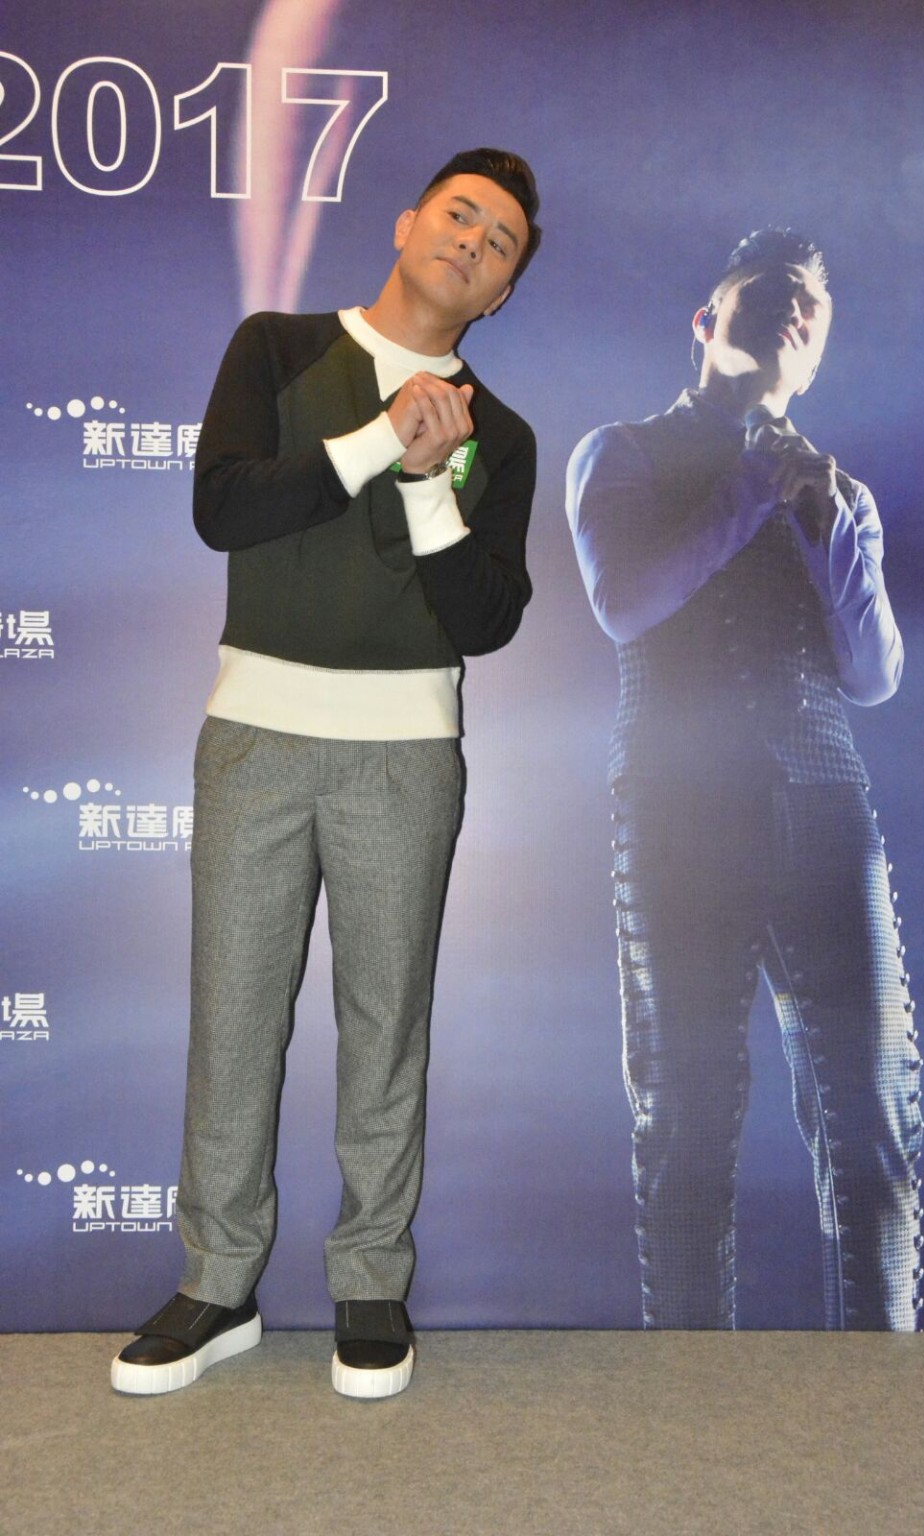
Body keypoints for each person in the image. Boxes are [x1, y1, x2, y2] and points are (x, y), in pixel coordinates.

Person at [111, 147, 541, 1397]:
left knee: (384, 1025)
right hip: (256, 735)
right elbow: (225, 509)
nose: (472, 242)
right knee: (233, 1016)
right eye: (459, 214)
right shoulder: (278, 348)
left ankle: (368, 1281)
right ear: (407, 223)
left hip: (405, 755)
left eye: (500, 243)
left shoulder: (500, 435)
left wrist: (428, 481)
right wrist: (376, 443)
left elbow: (484, 620)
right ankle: (218, 1282)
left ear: (502, 292)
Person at [566, 230, 922, 1331]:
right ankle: (690, 1402)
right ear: (706, 320)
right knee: (685, 1124)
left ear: (817, 355)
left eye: (811, 304)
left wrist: (825, 528)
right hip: (675, 811)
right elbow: (624, 603)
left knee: (872, 1119)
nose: (793, 309)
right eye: (769, 292)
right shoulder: (620, 452)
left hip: (824, 805)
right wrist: (749, 491)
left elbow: (874, 675)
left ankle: (882, 1391)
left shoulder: (840, 491)